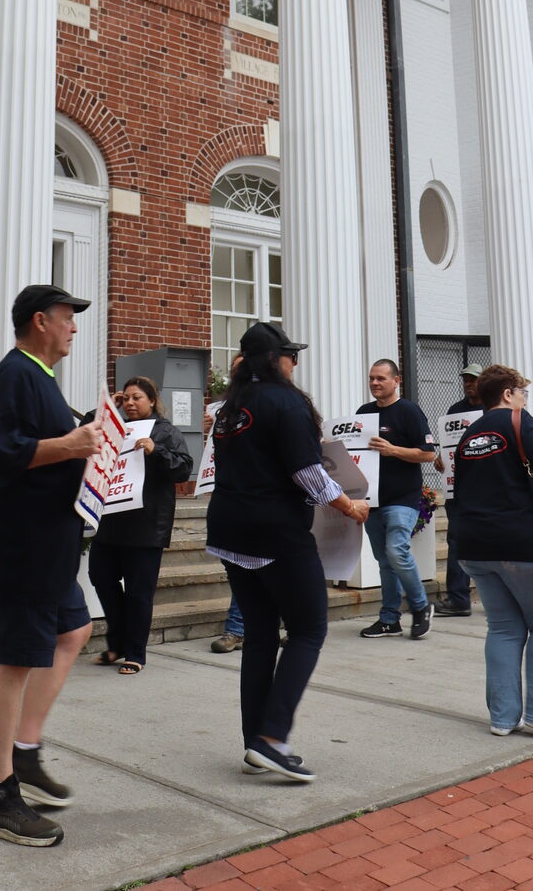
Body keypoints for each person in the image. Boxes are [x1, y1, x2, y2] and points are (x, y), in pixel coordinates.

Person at [0, 284, 101, 848]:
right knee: (15, 660)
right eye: (68, 318)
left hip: (50, 547)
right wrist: (70, 446)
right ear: (40, 321)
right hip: (21, 548)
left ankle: (24, 750)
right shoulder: (15, 374)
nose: (74, 328)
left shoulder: (39, 378)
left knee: (74, 630)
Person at [206, 322, 369, 783]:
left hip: (230, 529)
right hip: (275, 531)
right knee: (308, 629)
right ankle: (273, 739)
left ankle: (254, 739)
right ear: (275, 359)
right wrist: (349, 505)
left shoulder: (229, 409)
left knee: (259, 636)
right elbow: (307, 474)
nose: (295, 363)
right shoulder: (286, 402)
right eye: (291, 355)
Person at [453, 364, 533, 737]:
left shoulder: (469, 434)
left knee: (504, 628)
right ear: (507, 394)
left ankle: (503, 718)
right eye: (521, 392)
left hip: (474, 544)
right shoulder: (519, 421)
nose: (524, 399)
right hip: (523, 542)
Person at [88, 376, 193, 673]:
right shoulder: (117, 428)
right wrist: (109, 408)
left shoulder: (165, 431)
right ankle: (118, 642)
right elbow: (86, 429)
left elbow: (184, 468)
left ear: (152, 400)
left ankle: (134, 652)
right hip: (111, 521)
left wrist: (154, 450)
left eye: (137, 398)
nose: (131, 403)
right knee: (100, 577)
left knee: (138, 592)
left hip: (146, 526)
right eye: (127, 398)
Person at [358, 359, 437, 641]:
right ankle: (390, 619)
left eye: (381, 378)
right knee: (384, 561)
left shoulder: (409, 412)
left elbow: (429, 454)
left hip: (403, 497)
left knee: (396, 551)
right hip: (372, 499)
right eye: (371, 378)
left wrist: (393, 450)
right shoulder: (363, 414)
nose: (375, 383)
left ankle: (420, 606)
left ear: (396, 380)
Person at [433, 362, 484, 617]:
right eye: (465, 379)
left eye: (473, 379)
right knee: (456, 540)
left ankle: (506, 595)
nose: (468, 384)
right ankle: (458, 598)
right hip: (458, 491)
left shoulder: (491, 409)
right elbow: (446, 449)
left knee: (492, 542)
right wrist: (440, 458)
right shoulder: (454, 411)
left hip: (487, 490)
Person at [208, 355, 245, 655]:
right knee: (239, 566)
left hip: (262, 503)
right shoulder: (223, 411)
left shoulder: (277, 405)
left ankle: (238, 628)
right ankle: (242, 628)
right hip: (231, 500)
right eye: (234, 370)